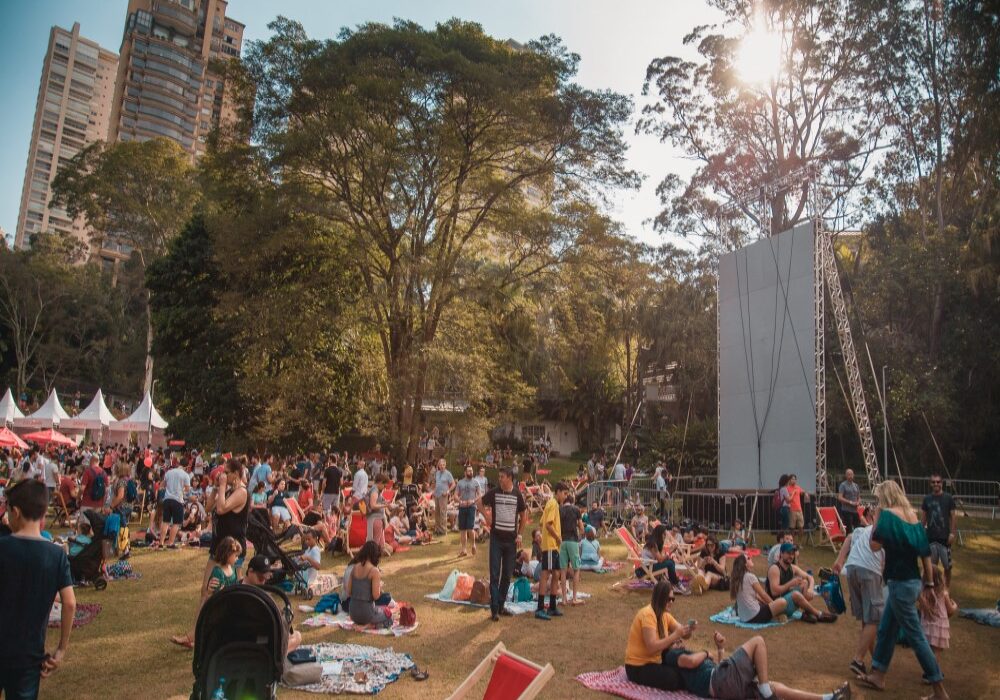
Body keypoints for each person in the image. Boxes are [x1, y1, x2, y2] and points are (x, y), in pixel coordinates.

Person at [856, 480, 948, 699]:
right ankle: (878, 674)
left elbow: (874, 545)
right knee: (887, 628)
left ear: (885, 497)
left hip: (899, 583)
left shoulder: (887, 515)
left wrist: (877, 517)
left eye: (879, 498)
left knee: (916, 637)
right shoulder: (913, 516)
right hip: (913, 582)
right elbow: (925, 551)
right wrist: (930, 583)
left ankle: (939, 688)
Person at [0, 480, 76, 699]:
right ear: (43, 514)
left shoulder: (3, 547)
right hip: (29, 655)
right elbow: (69, 603)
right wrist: (61, 649)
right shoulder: (56, 554)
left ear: (15, 512)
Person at [664, 631, 851, 700]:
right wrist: (705, 653)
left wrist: (719, 649)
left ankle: (828, 698)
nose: (679, 641)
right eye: (675, 639)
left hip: (724, 685)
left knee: (776, 688)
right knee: (758, 641)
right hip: (720, 682)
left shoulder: (682, 655)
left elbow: (716, 669)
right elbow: (690, 662)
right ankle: (765, 690)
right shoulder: (673, 655)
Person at [832, 505, 885, 677]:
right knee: (874, 618)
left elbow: (849, 537)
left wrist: (840, 561)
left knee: (867, 618)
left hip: (852, 567)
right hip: (869, 569)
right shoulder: (887, 531)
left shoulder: (866, 529)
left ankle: (876, 660)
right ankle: (858, 659)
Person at [171, 536, 242, 649]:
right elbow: (215, 594)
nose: (237, 559)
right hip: (220, 605)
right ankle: (197, 639)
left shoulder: (232, 569)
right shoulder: (218, 572)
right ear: (227, 554)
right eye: (236, 556)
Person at [478, 466, 529, 621]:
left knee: (507, 575)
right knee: (494, 574)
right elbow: (479, 502)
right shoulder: (494, 492)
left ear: (509, 478)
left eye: (502, 477)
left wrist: (520, 534)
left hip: (511, 541)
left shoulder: (517, 494)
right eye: (499, 477)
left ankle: (501, 605)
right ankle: (494, 609)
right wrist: (487, 517)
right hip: (496, 540)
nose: (499, 479)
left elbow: (523, 514)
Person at [623, 581, 690, 690]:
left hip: (654, 660)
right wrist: (674, 637)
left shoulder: (665, 615)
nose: (671, 602)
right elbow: (652, 647)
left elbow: (682, 632)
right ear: (660, 598)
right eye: (669, 599)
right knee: (673, 678)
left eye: (673, 599)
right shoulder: (648, 614)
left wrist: (689, 629)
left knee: (680, 659)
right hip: (637, 666)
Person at [730, 553, 830, 625]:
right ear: (745, 564)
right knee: (782, 602)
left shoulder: (738, 579)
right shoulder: (750, 576)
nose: (751, 558)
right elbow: (765, 594)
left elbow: (756, 596)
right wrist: (774, 606)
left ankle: (811, 613)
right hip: (755, 615)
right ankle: (818, 613)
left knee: (791, 596)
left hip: (744, 618)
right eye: (748, 558)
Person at [766, 543, 835, 622]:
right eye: (788, 553)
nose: (791, 556)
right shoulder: (775, 569)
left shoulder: (792, 567)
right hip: (775, 606)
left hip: (786, 602)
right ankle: (819, 614)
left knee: (804, 583)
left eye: (792, 554)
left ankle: (807, 612)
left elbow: (809, 577)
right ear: (781, 553)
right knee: (795, 594)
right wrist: (790, 584)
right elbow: (774, 592)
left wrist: (811, 588)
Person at [536, 482, 568, 620]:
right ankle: (540, 608)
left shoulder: (551, 504)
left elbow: (541, 522)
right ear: (558, 491)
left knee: (556, 574)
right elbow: (548, 525)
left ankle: (552, 606)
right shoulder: (553, 504)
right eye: (565, 493)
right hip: (550, 545)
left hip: (553, 546)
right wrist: (558, 538)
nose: (566, 497)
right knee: (545, 574)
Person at [343, 541, 391, 628]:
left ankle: (362, 624)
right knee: (388, 614)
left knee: (379, 609)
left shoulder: (355, 567)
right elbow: (376, 596)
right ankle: (369, 625)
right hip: (367, 614)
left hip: (353, 613)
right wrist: (379, 586)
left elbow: (348, 592)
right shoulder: (374, 571)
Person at [919, 565, 956, 674]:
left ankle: (928, 671)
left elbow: (921, 609)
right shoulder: (943, 594)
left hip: (926, 627)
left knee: (929, 651)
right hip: (939, 627)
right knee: (937, 651)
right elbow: (950, 611)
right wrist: (955, 606)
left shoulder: (923, 594)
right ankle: (932, 673)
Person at [921, 474, 956, 587]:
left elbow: (953, 517)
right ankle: (931, 589)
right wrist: (921, 533)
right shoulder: (927, 499)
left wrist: (952, 533)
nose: (936, 484)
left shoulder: (948, 498)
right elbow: (924, 518)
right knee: (930, 567)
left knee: (947, 566)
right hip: (931, 538)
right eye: (933, 482)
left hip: (945, 539)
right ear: (930, 484)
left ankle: (946, 590)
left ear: (942, 483)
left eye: (938, 482)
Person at [159, 457, 191, 549]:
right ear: (186, 466)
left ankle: (161, 543)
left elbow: (163, 484)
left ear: (179, 463)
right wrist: (182, 490)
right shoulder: (185, 475)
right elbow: (187, 489)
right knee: (176, 523)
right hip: (177, 500)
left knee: (165, 522)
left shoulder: (169, 472)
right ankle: (170, 543)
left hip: (167, 499)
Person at [559, 493, 584, 605]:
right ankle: (574, 598)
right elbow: (581, 526)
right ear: (572, 501)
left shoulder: (560, 510)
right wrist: (580, 536)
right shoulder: (576, 509)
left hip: (562, 541)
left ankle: (564, 599)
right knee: (576, 569)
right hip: (573, 541)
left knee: (563, 571)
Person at [639, 524, 681, 589]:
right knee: (670, 563)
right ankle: (675, 583)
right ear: (659, 534)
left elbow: (661, 557)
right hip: (647, 568)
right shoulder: (652, 544)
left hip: (651, 565)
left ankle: (674, 582)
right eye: (664, 534)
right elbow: (660, 559)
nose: (665, 536)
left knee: (670, 562)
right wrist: (669, 552)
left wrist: (671, 551)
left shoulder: (654, 542)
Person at [455, 465, 481, 556]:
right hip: (462, 507)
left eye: (472, 470)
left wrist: (473, 500)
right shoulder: (460, 483)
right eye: (469, 471)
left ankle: (473, 545)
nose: (471, 472)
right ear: (465, 472)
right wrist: (460, 501)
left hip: (471, 507)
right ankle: (464, 550)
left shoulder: (476, 482)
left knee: (470, 528)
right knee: (462, 530)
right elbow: (455, 496)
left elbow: (479, 495)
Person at [432, 458, 455, 536]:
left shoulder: (448, 474)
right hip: (437, 495)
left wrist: (448, 491)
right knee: (437, 512)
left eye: (443, 465)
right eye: (440, 465)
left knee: (443, 512)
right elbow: (436, 483)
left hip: (443, 495)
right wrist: (433, 491)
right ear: (438, 465)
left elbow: (453, 484)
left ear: (445, 465)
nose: (441, 466)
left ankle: (443, 530)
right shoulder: (437, 473)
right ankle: (437, 529)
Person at [837, 469, 861, 533]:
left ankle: (857, 542)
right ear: (846, 475)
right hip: (846, 511)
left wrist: (858, 502)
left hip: (855, 510)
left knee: (858, 528)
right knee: (849, 530)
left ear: (853, 475)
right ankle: (848, 542)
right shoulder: (843, 485)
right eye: (849, 474)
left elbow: (859, 497)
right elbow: (840, 497)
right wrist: (850, 502)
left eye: (851, 474)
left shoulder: (856, 485)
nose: (850, 476)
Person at [786, 474, 809, 539]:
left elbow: (803, 492)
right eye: (792, 479)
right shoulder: (787, 488)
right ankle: (792, 543)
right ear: (789, 480)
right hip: (792, 510)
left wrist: (806, 493)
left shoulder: (798, 487)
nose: (794, 480)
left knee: (801, 527)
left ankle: (800, 543)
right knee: (792, 528)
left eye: (795, 479)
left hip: (799, 510)